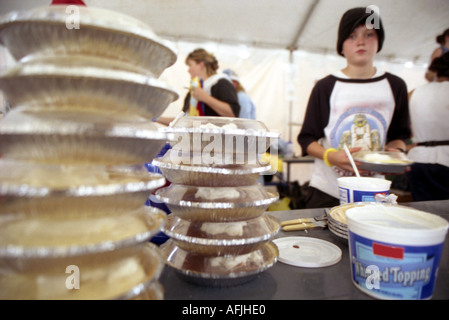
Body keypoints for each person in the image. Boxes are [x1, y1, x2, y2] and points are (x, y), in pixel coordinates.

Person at [297, 7, 411, 209]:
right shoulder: (326, 86)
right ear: (341, 46)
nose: (360, 41)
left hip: (374, 190)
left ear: (379, 41)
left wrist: (396, 154)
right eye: (352, 36)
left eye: (369, 34)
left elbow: (400, 135)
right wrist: (330, 156)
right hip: (328, 189)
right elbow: (306, 139)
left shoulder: (395, 85)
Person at [406, 52, 449, 201]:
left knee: (425, 213)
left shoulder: (414, 93)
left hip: (419, 160)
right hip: (446, 159)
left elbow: (406, 129)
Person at [157, 48, 240, 125]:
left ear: (201, 65)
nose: (188, 70)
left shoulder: (221, 83)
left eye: (190, 65)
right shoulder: (193, 92)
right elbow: (183, 120)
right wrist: (156, 118)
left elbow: (232, 114)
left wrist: (205, 98)